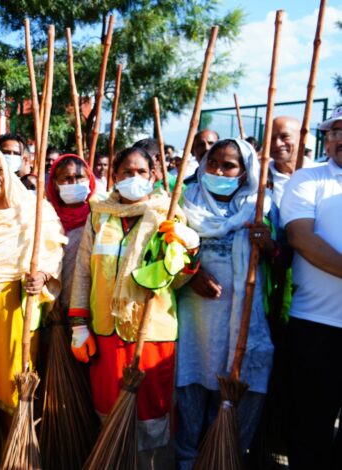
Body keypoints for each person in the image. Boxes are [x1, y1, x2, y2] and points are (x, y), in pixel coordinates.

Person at [69, 146, 198, 460]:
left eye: (142, 172)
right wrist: (79, 323)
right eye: (127, 172)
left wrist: (188, 249)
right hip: (105, 331)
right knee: (107, 410)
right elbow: (84, 269)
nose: (134, 178)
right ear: (114, 176)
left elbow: (178, 280)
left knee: (151, 416)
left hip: (151, 332)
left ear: (154, 176)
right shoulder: (100, 214)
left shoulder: (168, 214)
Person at [175, 139, 275, 469]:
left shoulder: (260, 205)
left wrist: (269, 243)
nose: (218, 170)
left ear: (244, 172)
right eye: (213, 162)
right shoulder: (184, 202)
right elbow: (169, 254)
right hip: (195, 318)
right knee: (191, 380)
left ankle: (224, 456)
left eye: (228, 165)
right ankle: (187, 458)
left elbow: (282, 259)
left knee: (233, 386)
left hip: (241, 322)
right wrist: (193, 273)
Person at [0, 147, 65, 466]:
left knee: (16, 384)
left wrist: (42, 274)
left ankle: (18, 453)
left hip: (19, 312)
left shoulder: (33, 212)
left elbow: (52, 252)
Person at [280, 106, 342, 469]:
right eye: (336, 131)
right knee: (311, 432)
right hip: (317, 328)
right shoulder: (308, 179)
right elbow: (301, 238)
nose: (341, 138)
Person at [47, 154, 96, 315]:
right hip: (54, 305)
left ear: (89, 179)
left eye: (80, 177)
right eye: (67, 178)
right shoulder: (45, 216)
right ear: (55, 184)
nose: (74, 183)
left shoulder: (99, 216)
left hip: (92, 303)